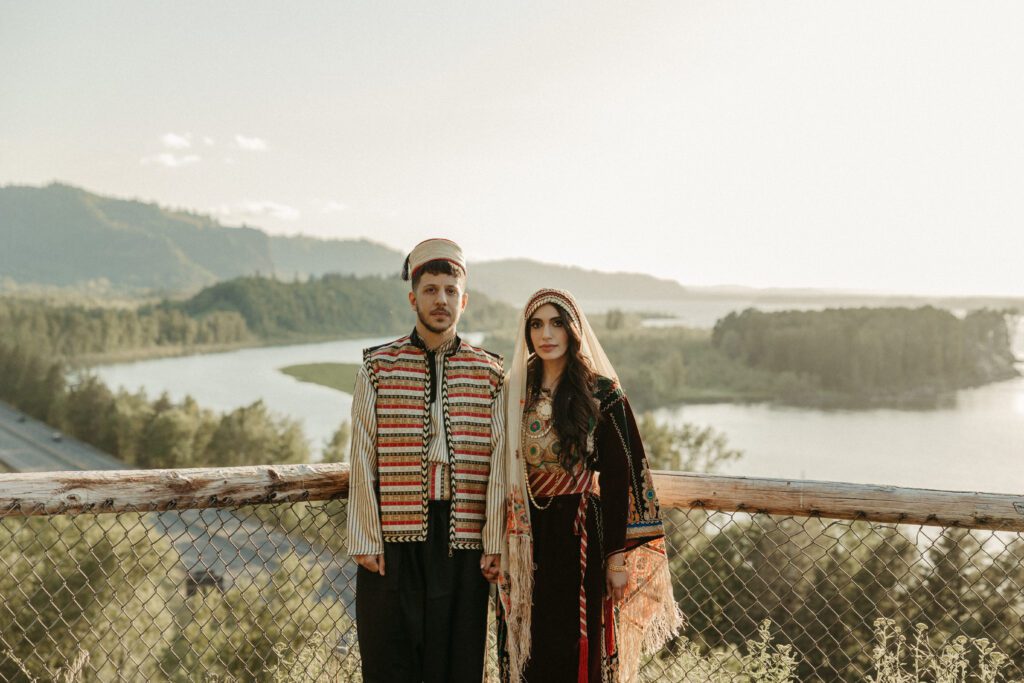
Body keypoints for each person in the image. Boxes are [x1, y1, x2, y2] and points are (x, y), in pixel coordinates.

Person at [497, 288, 681, 683]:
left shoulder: (600, 392)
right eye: (537, 324)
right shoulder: (514, 390)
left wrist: (616, 559)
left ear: (574, 329)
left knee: (575, 643)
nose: (546, 333)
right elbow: (496, 469)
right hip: (525, 536)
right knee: (525, 642)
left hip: (579, 535)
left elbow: (622, 477)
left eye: (557, 323)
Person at [347, 238, 506, 683]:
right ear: (413, 297)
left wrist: (493, 538)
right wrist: (364, 535)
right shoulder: (379, 366)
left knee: (456, 660)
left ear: (464, 300)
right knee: (390, 657)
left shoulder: (490, 373)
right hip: (392, 539)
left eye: (450, 291)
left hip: (463, 541)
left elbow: (499, 466)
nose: (441, 300)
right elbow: (361, 453)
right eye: (432, 290)